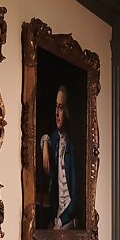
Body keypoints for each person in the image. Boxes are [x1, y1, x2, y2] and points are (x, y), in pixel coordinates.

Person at [38, 85, 81, 230]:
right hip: (57, 212)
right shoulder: (56, 137)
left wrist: (61, 222)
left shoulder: (73, 145)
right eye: (56, 107)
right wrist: (44, 144)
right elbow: (46, 136)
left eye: (61, 108)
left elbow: (75, 201)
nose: (56, 113)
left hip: (69, 216)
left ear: (68, 111)